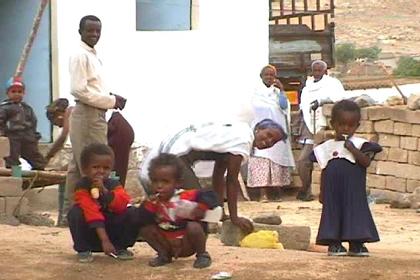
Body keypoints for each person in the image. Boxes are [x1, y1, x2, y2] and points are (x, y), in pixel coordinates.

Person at [139, 119, 287, 233]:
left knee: (201, 205)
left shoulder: (236, 134)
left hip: (173, 149)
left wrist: (221, 212)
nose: (268, 141)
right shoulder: (243, 141)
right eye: (268, 135)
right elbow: (231, 181)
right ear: (258, 129)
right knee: (198, 201)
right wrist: (234, 218)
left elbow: (219, 175)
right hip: (176, 154)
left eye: (273, 142)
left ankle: (157, 220)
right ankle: (163, 226)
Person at [65, 15, 127, 220]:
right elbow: (79, 91)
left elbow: (91, 88)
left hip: (95, 113)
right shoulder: (80, 55)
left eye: (97, 31)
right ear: (80, 31)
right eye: (90, 31)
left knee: (79, 164)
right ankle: (88, 212)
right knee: (95, 164)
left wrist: (110, 98)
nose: (94, 34)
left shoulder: (92, 55)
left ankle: (72, 213)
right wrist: (111, 101)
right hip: (88, 114)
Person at [310, 100, 382, 256]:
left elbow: (365, 162)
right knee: (333, 213)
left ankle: (356, 243)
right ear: (332, 123)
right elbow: (324, 168)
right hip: (333, 191)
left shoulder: (360, 144)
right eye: (341, 124)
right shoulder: (326, 147)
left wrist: (352, 149)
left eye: (350, 125)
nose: (345, 129)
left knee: (355, 213)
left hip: (354, 190)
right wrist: (322, 192)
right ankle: (334, 243)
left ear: (357, 126)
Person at [139, 153, 219, 268]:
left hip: (187, 244)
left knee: (194, 226)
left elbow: (211, 195)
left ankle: (202, 254)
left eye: (165, 181)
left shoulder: (185, 196)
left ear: (177, 183)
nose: (159, 186)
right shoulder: (154, 201)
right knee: (145, 229)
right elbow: (141, 218)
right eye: (155, 181)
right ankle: (163, 255)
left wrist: (201, 208)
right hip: (167, 243)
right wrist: (147, 205)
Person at [67, 143, 141, 263]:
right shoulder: (82, 186)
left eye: (106, 168)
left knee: (133, 212)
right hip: (94, 231)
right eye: (96, 167)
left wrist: (105, 192)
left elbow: (121, 204)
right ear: (85, 169)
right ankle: (84, 249)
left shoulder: (114, 184)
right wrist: (104, 240)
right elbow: (91, 211)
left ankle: (120, 247)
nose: (101, 171)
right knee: (75, 212)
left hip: (112, 230)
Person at [46, 98, 134, 186]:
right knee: (111, 167)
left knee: (111, 169)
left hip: (117, 130)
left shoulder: (71, 111)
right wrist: (60, 169)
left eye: (56, 123)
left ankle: (114, 195)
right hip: (120, 130)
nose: (59, 126)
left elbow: (62, 137)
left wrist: (47, 157)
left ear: (58, 115)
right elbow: (79, 157)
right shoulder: (80, 120)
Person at [296, 60, 345, 201]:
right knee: (303, 161)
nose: (317, 73)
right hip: (309, 126)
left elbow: (339, 98)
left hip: (327, 126)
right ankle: (306, 188)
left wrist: (322, 101)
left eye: (320, 70)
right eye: (315, 70)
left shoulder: (333, 84)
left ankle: (329, 193)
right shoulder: (307, 88)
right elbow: (303, 108)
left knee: (328, 160)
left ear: (325, 71)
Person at [247, 65, 295, 201]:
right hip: (261, 131)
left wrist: (282, 91)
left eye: (272, 75)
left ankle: (278, 192)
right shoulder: (255, 92)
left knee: (277, 160)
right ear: (261, 76)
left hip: (276, 133)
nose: (269, 77)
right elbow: (254, 108)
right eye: (266, 75)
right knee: (261, 158)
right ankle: (263, 194)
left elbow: (284, 107)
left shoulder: (277, 92)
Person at [0, 76, 46, 170]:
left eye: (19, 92)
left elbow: (33, 121)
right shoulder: (5, 108)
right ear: (7, 93)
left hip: (28, 136)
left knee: (35, 156)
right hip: (12, 136)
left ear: (24, 93)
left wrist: (34, 135)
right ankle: (15, 177)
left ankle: (39, 175)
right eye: (13, 92)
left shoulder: (27, 108)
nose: (17, 94)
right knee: (12, 158)